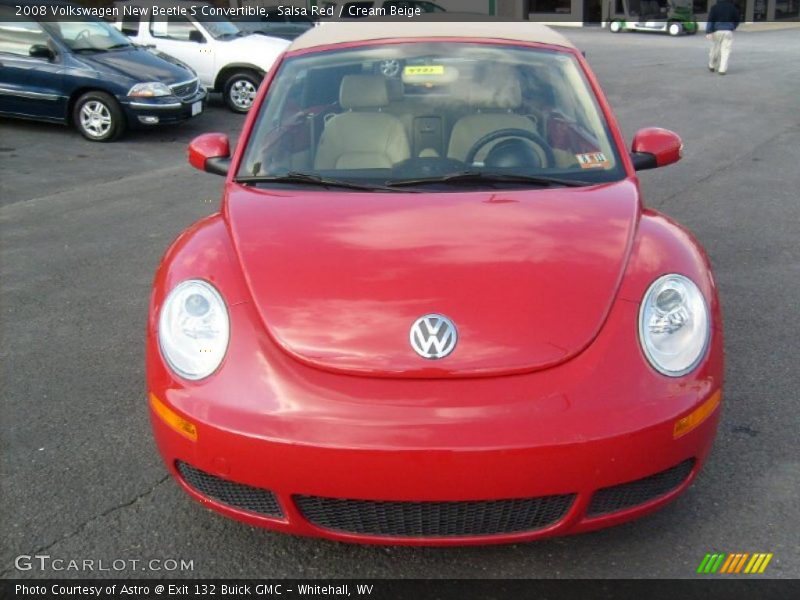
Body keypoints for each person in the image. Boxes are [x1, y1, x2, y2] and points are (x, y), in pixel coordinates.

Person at [706, 0, 741, 75]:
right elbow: (737, 19)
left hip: (717, 31)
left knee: (715, 49)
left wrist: (709, 31)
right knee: (726, 50)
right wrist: (733, 27)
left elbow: (710, 20)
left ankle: (712, 65)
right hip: (728, 31)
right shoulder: (733, 8)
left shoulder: (714, 8)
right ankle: (722, 69)